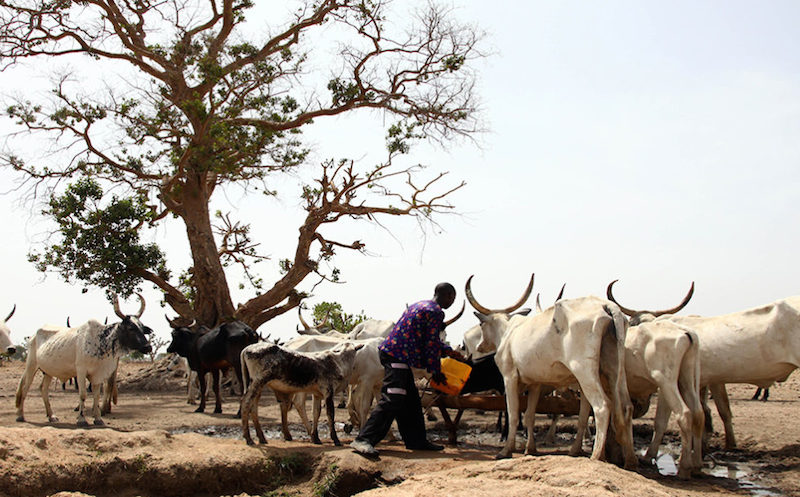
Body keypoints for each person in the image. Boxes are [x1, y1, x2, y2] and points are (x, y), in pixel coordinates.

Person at [350, 282, 465, 457]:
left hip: (395, 353)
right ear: (448, 295)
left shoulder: (418, 305)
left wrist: (449, 352)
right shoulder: (436, 312)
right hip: (398, 356)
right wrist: (436, 371)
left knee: (410, 400)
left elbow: (427, 338)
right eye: (452, 298)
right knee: (393, 397)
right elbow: (430, 344)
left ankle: (416, 440)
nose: (452, 302)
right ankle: (363, 439)